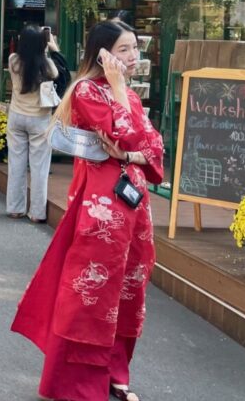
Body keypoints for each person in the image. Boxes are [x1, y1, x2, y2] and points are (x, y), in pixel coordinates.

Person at [12, 20, 164, 401]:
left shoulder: (126, 92)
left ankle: (116, 369)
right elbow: (129, 134)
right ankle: (79, 381)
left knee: (130, 285)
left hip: (133, 200)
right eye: (124, 49)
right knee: (92, 289)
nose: (132, 57)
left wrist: (130, 152)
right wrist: (130, 139)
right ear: (102, 52)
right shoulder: (86, 90)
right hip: (102, 203)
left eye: (135, 48)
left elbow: (153, 148)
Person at [5, 26, 59, 223]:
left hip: (17, 116)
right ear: (42, 44)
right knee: (39, 168)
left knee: (16, 164)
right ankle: (37, 213)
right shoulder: (47, 66)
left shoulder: (13, 60)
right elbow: (57, 72)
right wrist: (51, 46)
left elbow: (23, 56)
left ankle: (14, 208)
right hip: (39, 119)